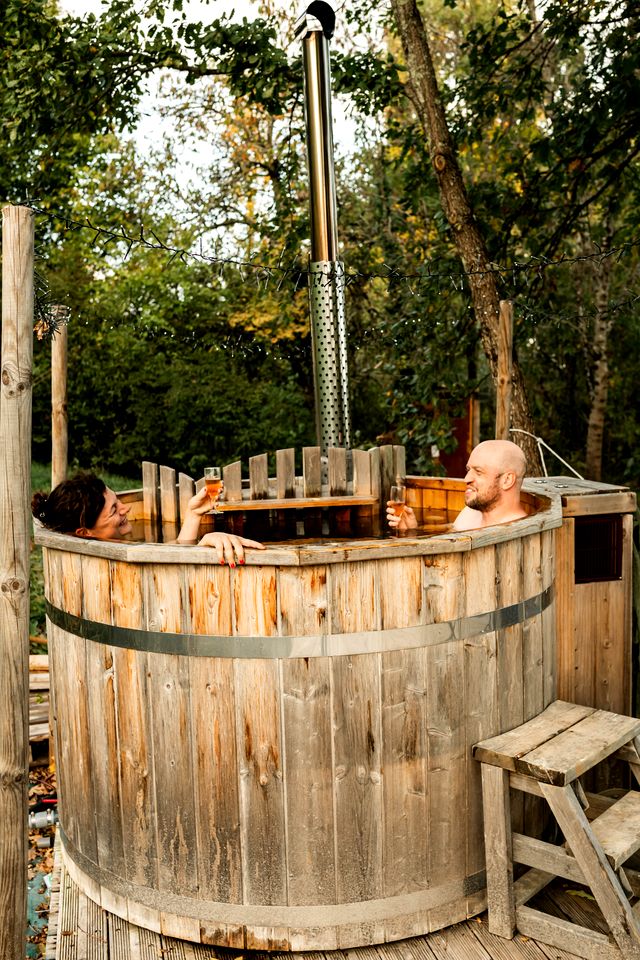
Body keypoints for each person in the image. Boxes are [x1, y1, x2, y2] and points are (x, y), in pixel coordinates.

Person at [32, 471, 264, 566]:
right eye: (114, 510)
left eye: (118, 501)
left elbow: (165, 554)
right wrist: (203, 544)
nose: (126, 509)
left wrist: (193, 516)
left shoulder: (110, 544)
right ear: (85, 532)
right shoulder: (107, 562)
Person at [387, 439, 528, 533]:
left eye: (478, 472)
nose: (466, 478)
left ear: (507, 480)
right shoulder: (470, 514)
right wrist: (411, 531)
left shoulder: (519, 533)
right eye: (468, 470)